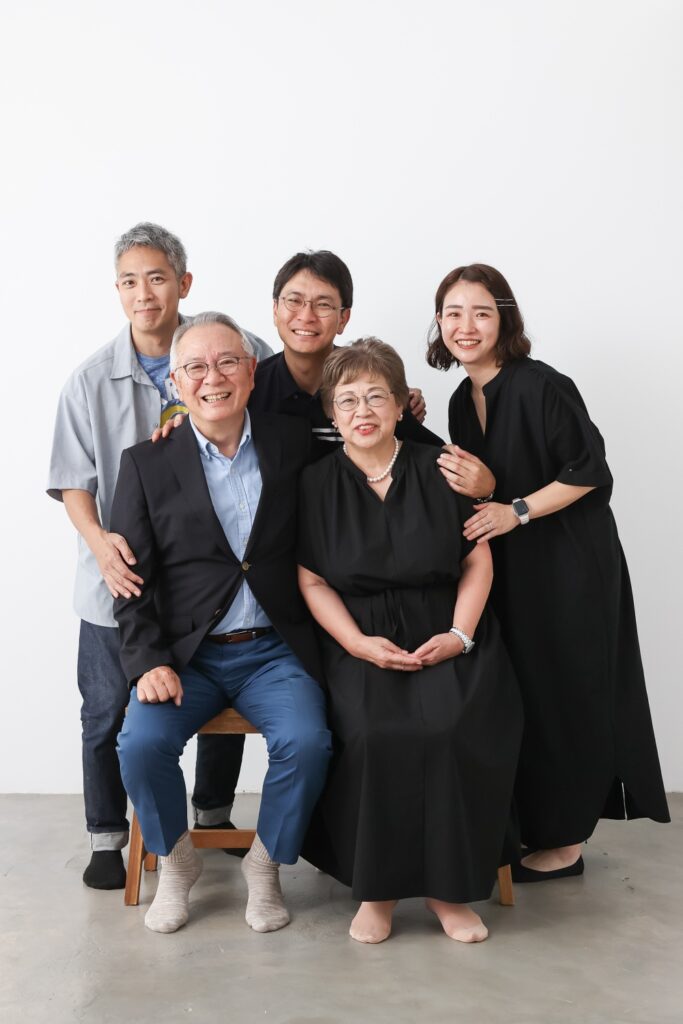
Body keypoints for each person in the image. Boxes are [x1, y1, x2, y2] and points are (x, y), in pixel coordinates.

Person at [47, 223, 273, 889]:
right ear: (116, 290)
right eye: (128, 281)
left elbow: (302, 384)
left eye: (156, 278)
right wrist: (101, 545)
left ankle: (212, 811)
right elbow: (72, 481)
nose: (143, 293)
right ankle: (106, 836)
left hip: (208, 581)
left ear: (183, 283)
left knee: (222, 686)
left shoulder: (231, 348)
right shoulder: (90, 380)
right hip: (118, 576)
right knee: (105, 710)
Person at [429, 263, 669, 881]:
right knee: (526, 693)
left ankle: (565, 843)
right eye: (453, 313)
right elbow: (478, 483)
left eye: (481, 312)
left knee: (567, 693)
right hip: (514, 566)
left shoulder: (541, 385)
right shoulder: (460, 400)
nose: (465, 325)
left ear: (505, 319)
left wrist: (515, 510)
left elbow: (589, 471)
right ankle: (537, 826)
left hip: (570, 563)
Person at [297, 338, 523, 944]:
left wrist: (459, 635)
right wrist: (356, 644)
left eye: (376, 397)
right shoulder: (315, 483)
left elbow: (477, 559)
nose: (362, 411)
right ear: (332, 412)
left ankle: (450, 891)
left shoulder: (441, 468)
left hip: (448, 626)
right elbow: (312, 580)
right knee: (373, 733)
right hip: (359, 636)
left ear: (401, 405)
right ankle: (378, 891)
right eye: (348, 400)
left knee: (451, 727)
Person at [112, 312, 332, 934]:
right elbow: (130, 582)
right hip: (188, 656)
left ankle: (265, 864)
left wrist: (414, 410)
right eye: (196, 367)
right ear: (176, 382)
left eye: (228, 362)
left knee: (308, 743)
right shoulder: (146, 463)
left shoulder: (294, 442)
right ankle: (176, 860)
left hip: (275, 650)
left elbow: (369, 442)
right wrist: (148, 661)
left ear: (251, 372)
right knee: (140, 745)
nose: (214, 377)